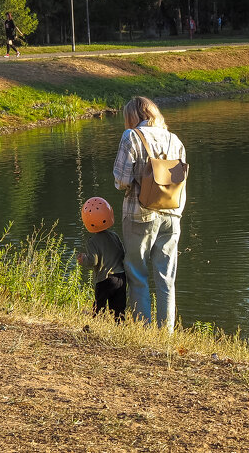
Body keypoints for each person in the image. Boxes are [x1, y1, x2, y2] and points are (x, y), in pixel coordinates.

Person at [113, 96, 187, 330]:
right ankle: (166, 333)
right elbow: (181, 180)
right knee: (166, 277)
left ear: (132, 117)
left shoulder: (131, 136)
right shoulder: (174, 139)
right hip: (172, 214)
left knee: (137, 273)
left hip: (139, 213)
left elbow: (121, 181)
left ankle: (143, 331)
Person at [77, 197, 125, 320]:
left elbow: (94, 260)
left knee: (99, 307)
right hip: (120, 277)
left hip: (104, 279)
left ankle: (97, 324)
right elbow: (122, 253)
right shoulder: (114, 236)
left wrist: (83, 259)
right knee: (119, 309)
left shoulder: (92, 241)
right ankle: (120, 327)